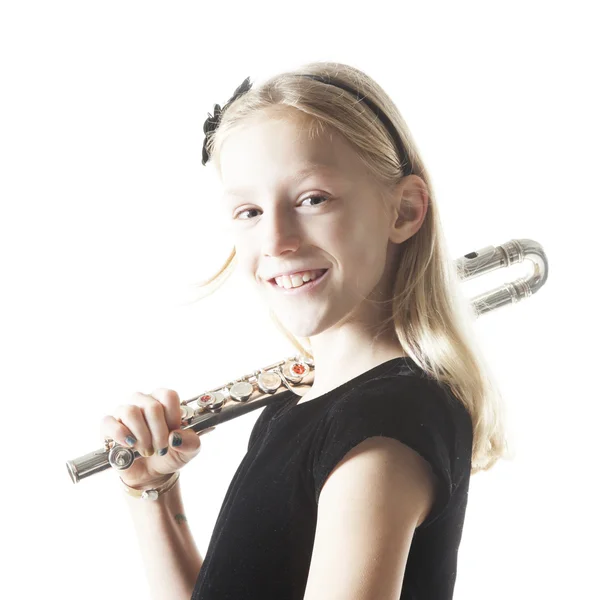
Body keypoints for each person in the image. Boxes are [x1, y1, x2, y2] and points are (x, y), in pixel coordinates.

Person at [101, 61, 510, 599]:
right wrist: (153, 495)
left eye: (312, 199)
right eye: (248, 211)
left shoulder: (382, 426)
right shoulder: (299, 405)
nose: (276, 240)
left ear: (405, 210)